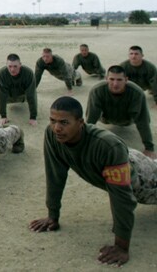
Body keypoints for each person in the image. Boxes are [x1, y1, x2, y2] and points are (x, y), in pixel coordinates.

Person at [30, 96, 157, 267]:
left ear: (80, 122)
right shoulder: (53, 135)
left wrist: (122, 246)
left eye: (64, 122)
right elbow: (55, 174)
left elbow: (122, 198)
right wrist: (52, 215)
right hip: (128, 159)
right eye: (53, 121)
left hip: (146, 178)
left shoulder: (106, 146)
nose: (57, 128)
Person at [86, 65, 155, 159]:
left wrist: (149, 147)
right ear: (106, 79)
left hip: (127, 120)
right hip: (106, 119)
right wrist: (86, 142)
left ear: (126, 80)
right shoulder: (97, 90)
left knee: (144, 117)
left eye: (119, 80)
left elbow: (142, 120)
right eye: (111, 79)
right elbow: (91, 117)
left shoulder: (136, 92)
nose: (115, 84)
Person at [0, 53, 38, 126]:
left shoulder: (28, 73)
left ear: (20, 64)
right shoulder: (1, 74)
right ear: (6, 65)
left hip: (23, 97)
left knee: (32, 95)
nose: (12, 69)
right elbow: (2, 95)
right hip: (9, 98)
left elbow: (31, 95)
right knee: (1, 96)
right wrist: (3, 116)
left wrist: (33, 117)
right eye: (10, 66)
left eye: (15, 66)